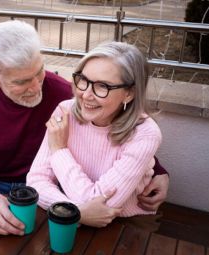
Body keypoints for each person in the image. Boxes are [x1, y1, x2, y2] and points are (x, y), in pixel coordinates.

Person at [0, 20, 170, 236]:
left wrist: (155, 169)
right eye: (21, 81)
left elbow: (116, 129)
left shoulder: (64, 94)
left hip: (52, 188)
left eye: (39, 72)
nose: (36, 86)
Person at [27, 42, 160, 228]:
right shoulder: (65, 111)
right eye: (83, 80)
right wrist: (75, 213)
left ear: (129, 93)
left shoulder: (145, 134)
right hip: (71, 219)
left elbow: (103, 205)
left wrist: (59, 150)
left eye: (102, 86)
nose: (86, 94)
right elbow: (36, 181)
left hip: (127, 226)